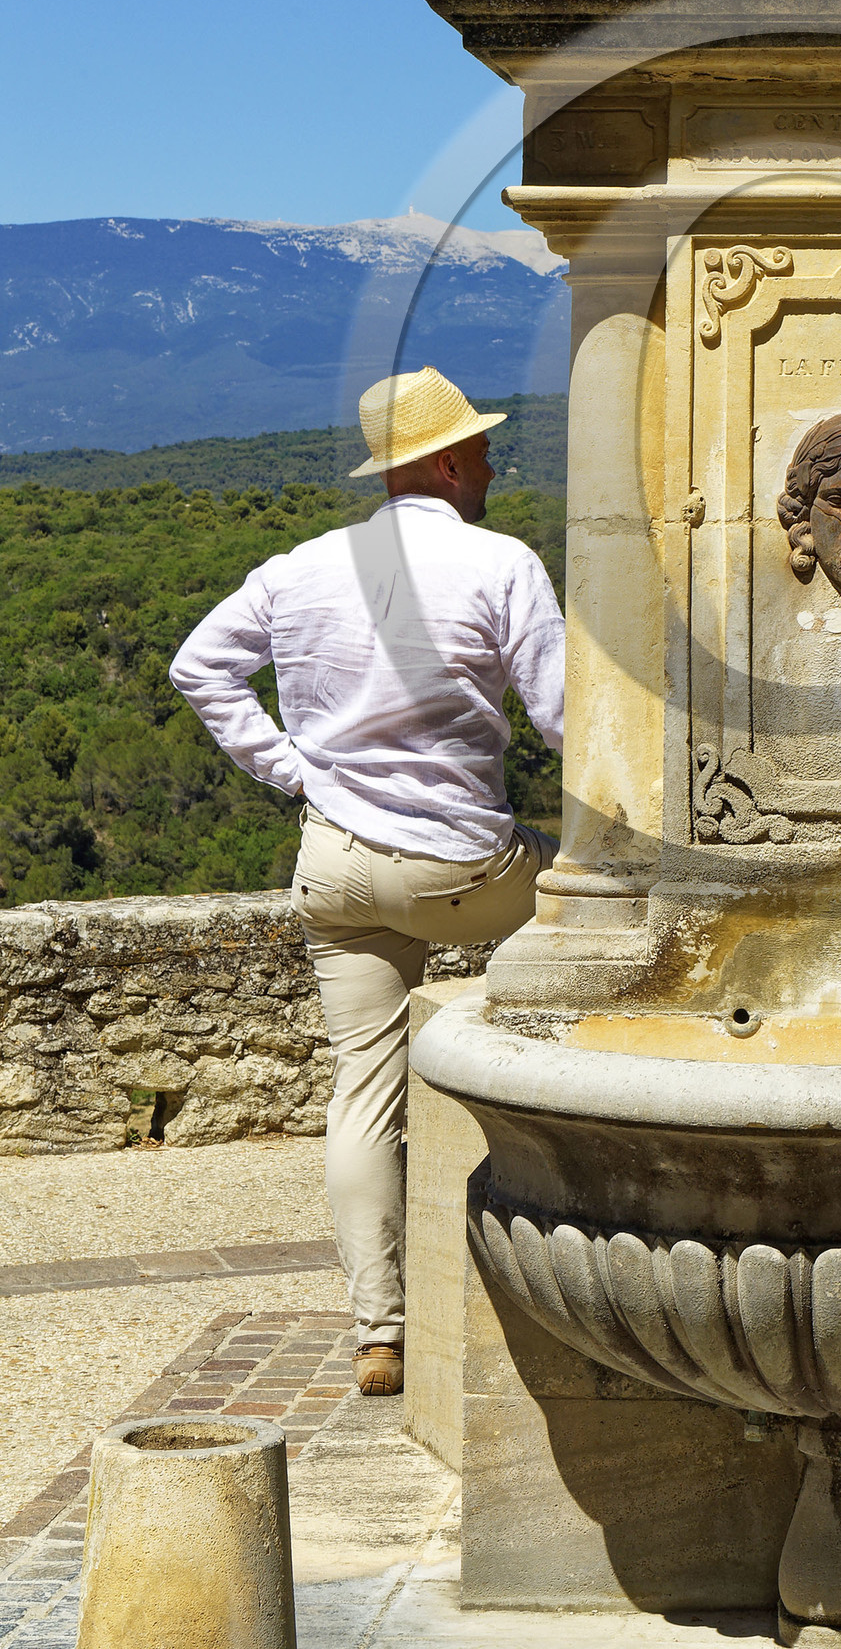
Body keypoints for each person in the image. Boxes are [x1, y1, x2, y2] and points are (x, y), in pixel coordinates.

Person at [171, 367, 563, 1397]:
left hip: (339, 863)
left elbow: (197, 667)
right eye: (478, 450)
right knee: (589, 921)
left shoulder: (295, 570)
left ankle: (379, 1333)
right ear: (441, 462)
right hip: (472, 869)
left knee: (361, 1097)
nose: (488, 465)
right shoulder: (502, 564)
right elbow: (566, 721)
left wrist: (291, 769)